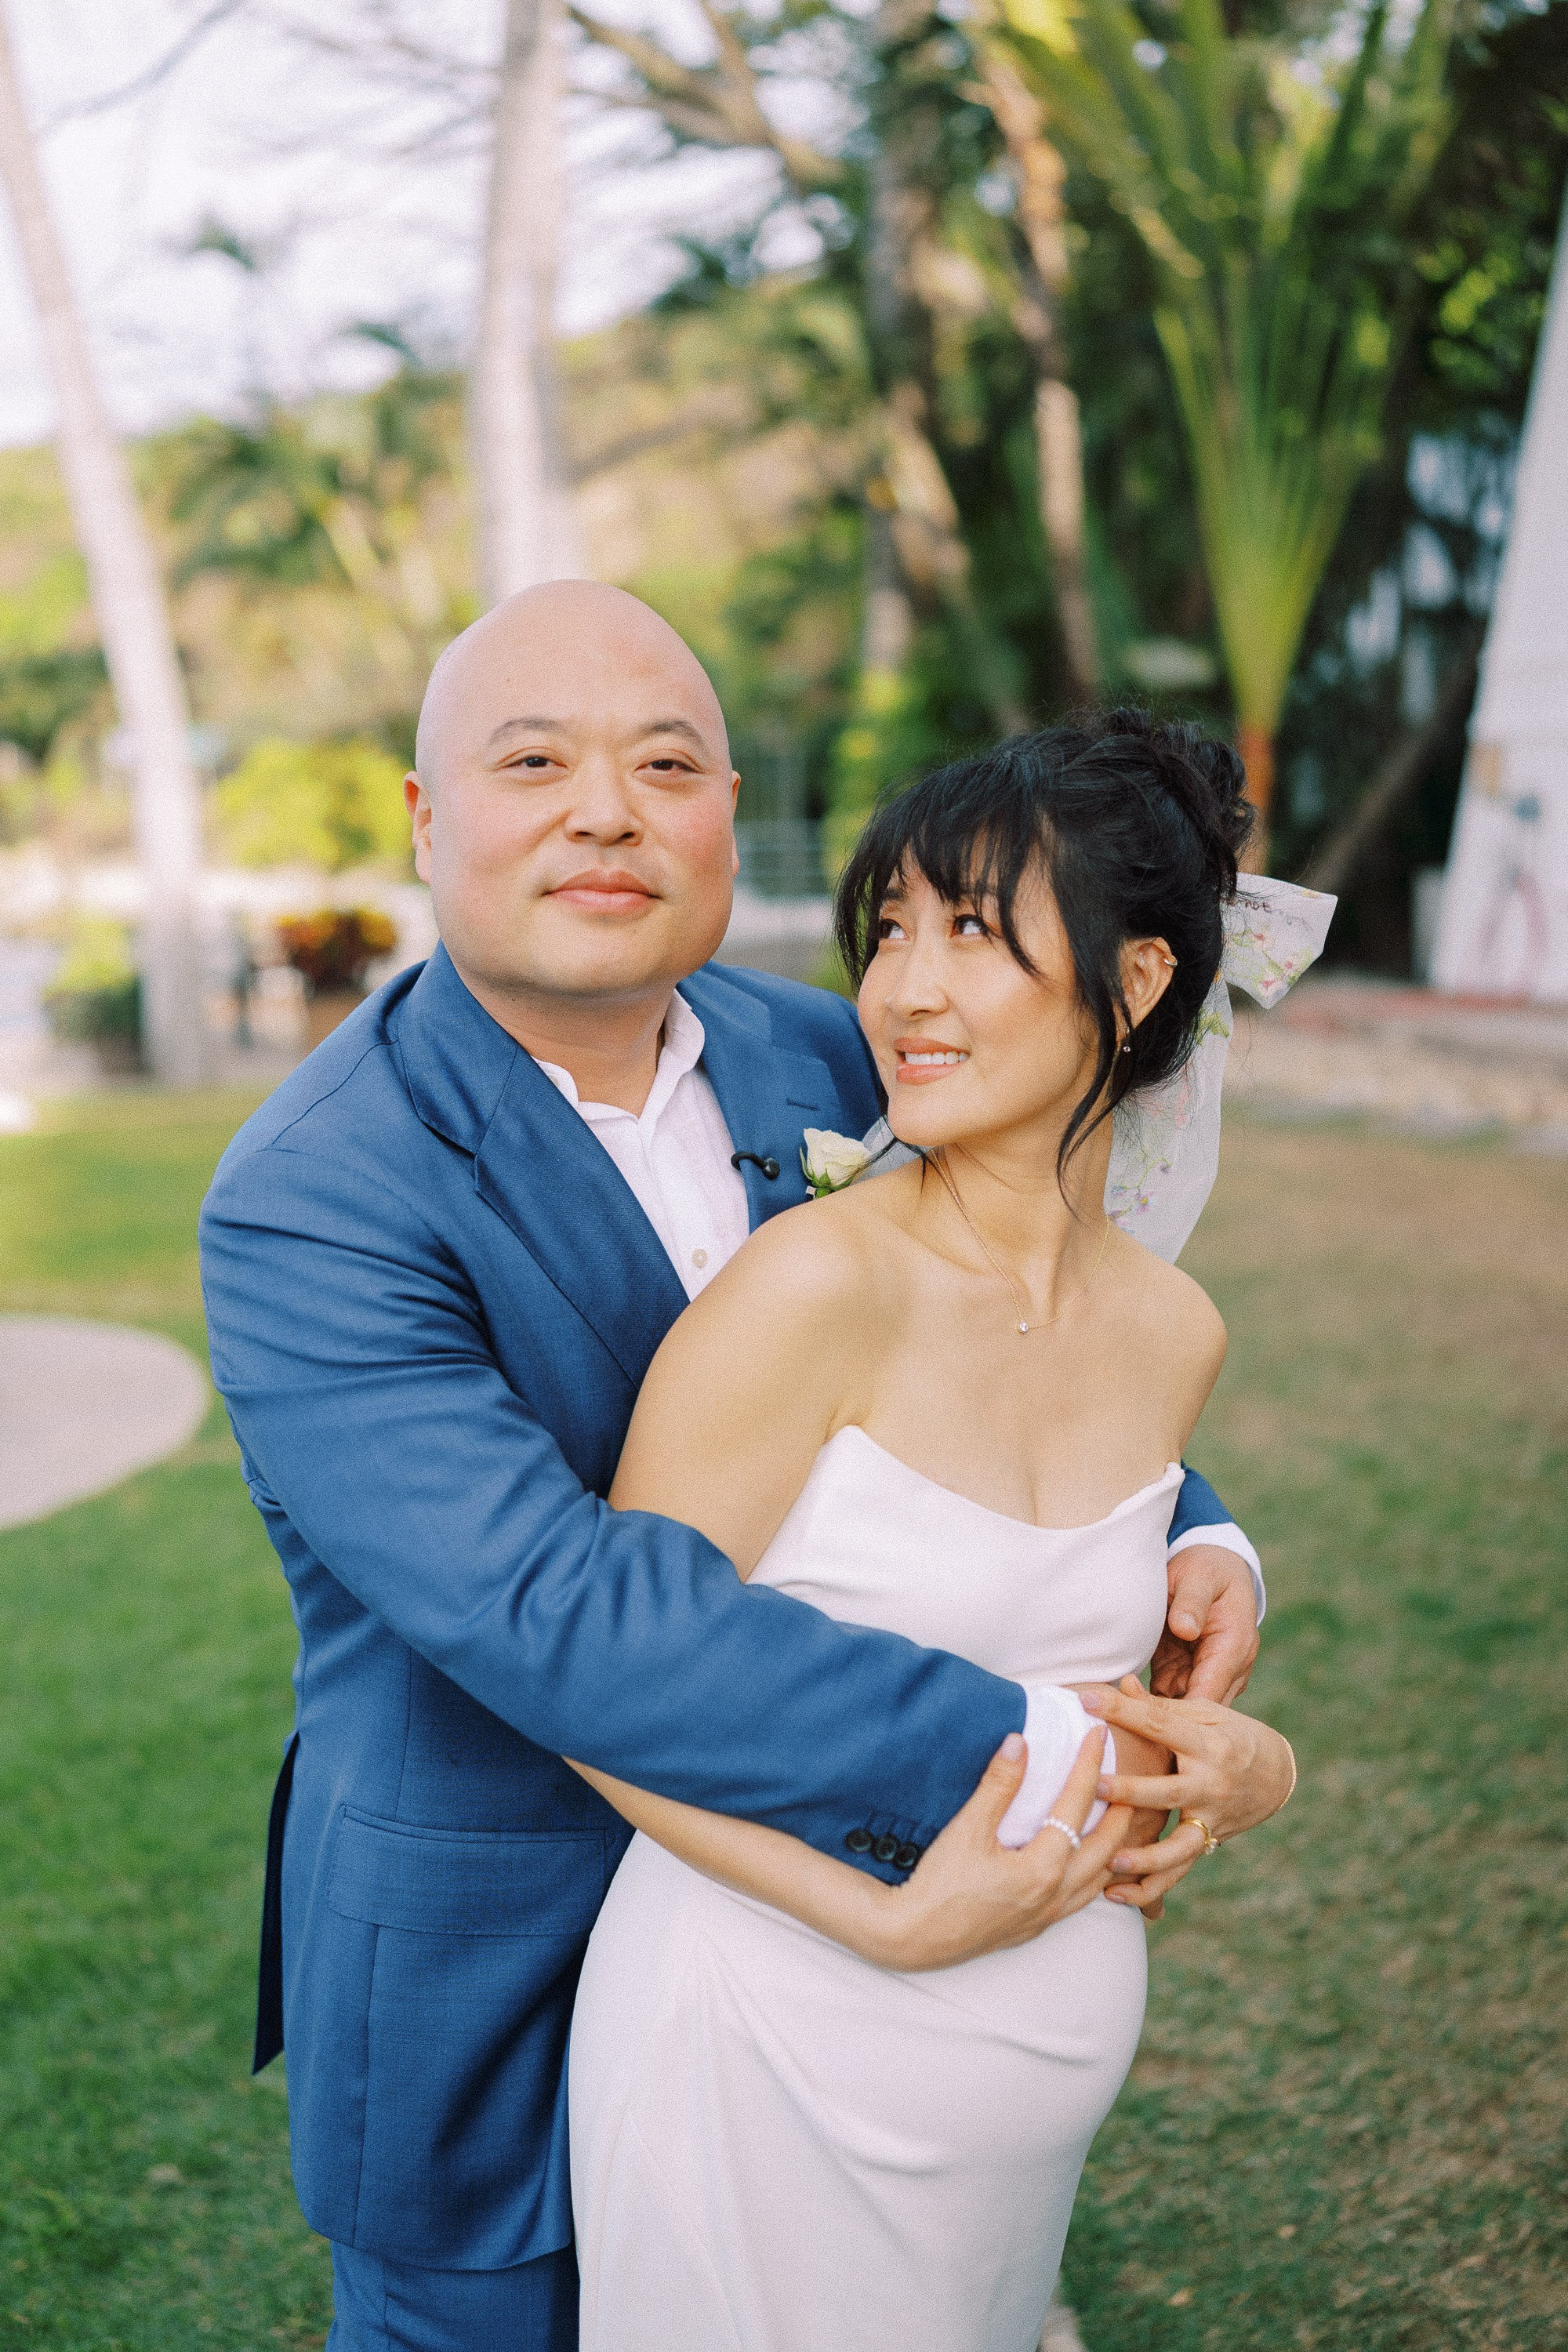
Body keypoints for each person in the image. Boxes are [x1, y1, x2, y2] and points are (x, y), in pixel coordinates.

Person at [199, 583, 1277, 2352]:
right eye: (534, 759)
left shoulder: (832, 1045)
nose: (606, 806)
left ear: (723, 810)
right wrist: (1066, 1750)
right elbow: (560, 1611)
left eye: (668, 761)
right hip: (498, 1965)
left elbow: (1005, 1312)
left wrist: (1198, 1532)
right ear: (423, 817)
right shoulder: (316, 1193)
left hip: (854, 2002)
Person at [566, 711, 1299, 2350]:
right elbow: (596, 1693)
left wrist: (1249, 1759)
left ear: (1136, 985)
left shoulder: (1175, 1332)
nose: (902, 989)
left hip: (1032, 2082)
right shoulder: (811, 1288)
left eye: (973, 930)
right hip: (760, 2049)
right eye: (889, 929)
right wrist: (876, 1920)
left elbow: (1086, 1668)